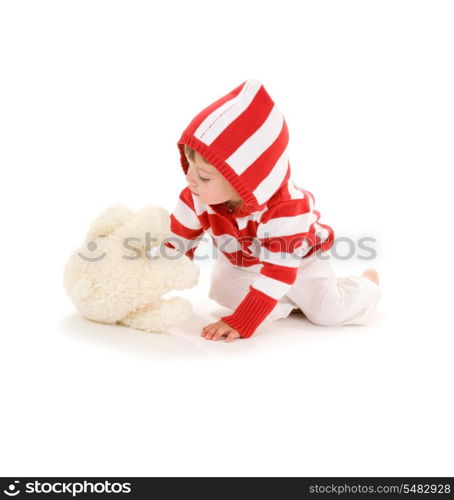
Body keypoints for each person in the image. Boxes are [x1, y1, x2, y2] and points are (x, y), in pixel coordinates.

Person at [167, 79, 381, 342]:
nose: (190, 178)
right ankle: (277, 301)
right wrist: (152, 280)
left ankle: (365, 287)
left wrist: (244, 320)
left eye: (204, 176)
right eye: (189, 165)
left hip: (298, 263)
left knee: (327, 313)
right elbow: (177, 241)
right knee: (221, 290)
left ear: (242, 181)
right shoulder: (197, 195)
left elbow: (280, 269)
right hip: (245, 262)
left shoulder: (286, 208)